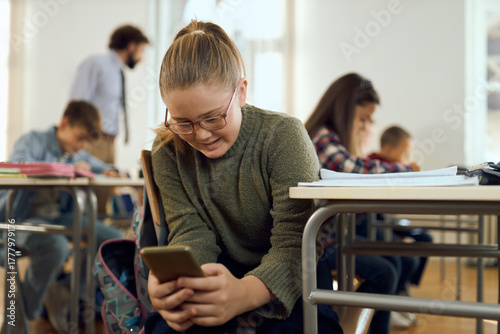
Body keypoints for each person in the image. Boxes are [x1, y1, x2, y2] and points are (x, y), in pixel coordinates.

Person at [145, 20, 343, 334]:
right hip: (219, 274)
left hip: (293, 272)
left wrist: (244, 295)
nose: (201, 134)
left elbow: (295, 246)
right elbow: (190, 232)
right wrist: (174, 284)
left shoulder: (283, 136)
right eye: (183, 122)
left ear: (241, 92)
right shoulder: (167, 149)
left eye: (213, 117)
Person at [305, 72, 421, 332]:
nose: (366, 125)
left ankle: (362, 319)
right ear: (345, 110)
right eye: (363, 118)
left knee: (392, 265)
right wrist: (405, 170)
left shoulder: (331, 137)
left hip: (331, 237)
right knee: (386, 272)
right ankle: (362, 322)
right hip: (319, 244)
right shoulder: (321, 137)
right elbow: (354, 168)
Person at [0, 100, 124, 331]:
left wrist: (111, 171)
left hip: (60, 217)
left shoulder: (77, 152)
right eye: (80, 138)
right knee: (57, 247)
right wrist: (66, 170)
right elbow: (16, 165)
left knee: (112, 238)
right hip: (24, 218)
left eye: (87, 142)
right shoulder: (34, 140)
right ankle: (21, 316)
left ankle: (66, 288)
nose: (83, 146)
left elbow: (101, 166)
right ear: (64, 124)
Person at [69, 24, 150, 164]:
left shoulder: (118, 72)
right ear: (131, 46)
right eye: (141, 50)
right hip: (92, 141)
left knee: (111, 183)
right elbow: (77, 102)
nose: (141, 58)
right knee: (95, 185)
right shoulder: (96, 64)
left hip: (110, 142)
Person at [368, 125, 433, 297]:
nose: (408, 159)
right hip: (373, 219)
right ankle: (397, 294)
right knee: (406, 259)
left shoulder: (395, 167)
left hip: (388, 218)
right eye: (405, 153)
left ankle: (404, 286)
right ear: (388, 149)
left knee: (426, 238)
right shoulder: (374, 165)